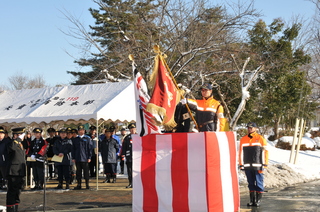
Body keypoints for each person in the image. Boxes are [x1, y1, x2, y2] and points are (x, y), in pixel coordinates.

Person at [239, 122, 269, 207]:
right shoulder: (243, 139)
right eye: (248, 128)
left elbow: (265, 152)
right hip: (248, 166)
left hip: (258, 165)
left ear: (255, 128)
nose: (249, 129)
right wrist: (241, 164)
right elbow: (240, 153)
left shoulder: (260, 138)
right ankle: (252, 200)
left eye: (251, 128)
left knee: (259, 183)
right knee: (250, 183)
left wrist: (265, 164)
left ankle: (258, 200)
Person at [6, 127, 26, 212]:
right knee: (12, 191)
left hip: (20, 171)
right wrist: (17, 139)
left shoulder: (20, 144)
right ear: (15, 135)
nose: (22, 137)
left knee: (18, 191)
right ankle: (10, 209)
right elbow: (11, 148)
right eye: (20, 135)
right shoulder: (11, 143)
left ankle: (15, 208)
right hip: (13, 171)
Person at [72, 125, 92, 190]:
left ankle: (87, 185)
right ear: (78, 131)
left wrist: (89, 157)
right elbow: (73, 149)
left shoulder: (87, 139)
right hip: (78, 158)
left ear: (84, 131)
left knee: (86, 172)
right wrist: (73, 157)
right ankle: (79, 184)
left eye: (82, 130)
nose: (81, 131)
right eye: (80, 130)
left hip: (85, 158)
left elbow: (90, 149)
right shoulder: (75, 140)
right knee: (78, 172)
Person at [121, 123, 136, 188]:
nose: (132, 130)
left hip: (137, 157)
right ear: (129, 130)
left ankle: (137, 183)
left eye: (133, 129)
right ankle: (130, 183)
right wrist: (123, 155)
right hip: (129, 157)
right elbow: (124, 147)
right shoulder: (127, 138)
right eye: (131, 129)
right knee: (129, 171)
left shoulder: (139, 136)